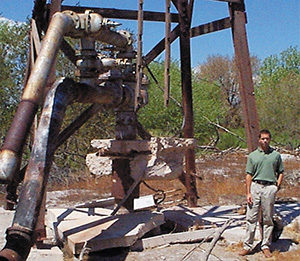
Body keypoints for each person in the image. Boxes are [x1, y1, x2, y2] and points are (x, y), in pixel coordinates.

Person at [239, 129, 284, 258]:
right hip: (256, 187)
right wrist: (248, 192)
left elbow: (281, 171)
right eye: (262, 138)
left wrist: (277, 186)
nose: (265, 141)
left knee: (268, 218)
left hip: (269, 187)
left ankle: (265, 246)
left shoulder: (275, 155)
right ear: (259, 140)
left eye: (267, 139)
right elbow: (249, 174)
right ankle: (248, 246)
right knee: (251, 217)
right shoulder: (253, 156)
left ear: (270, 140)